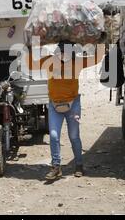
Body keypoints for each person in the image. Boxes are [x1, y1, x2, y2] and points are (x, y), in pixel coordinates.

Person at [26, 41, 104, 180]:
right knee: (54, 136)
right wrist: (29, 48)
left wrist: (100, 41)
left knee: (74, 136)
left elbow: (97, 58)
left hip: (73, 104)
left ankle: (79, 165)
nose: (62, 55)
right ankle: (56, 167)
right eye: (60, 52)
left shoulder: (78, 63)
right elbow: (31, 65)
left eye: (65, 53)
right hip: (54, 105)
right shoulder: (49, 61)